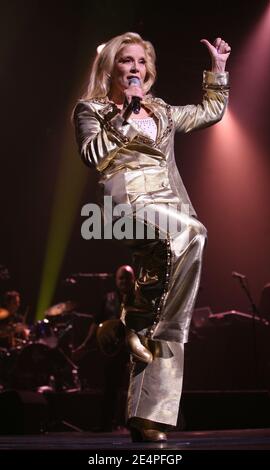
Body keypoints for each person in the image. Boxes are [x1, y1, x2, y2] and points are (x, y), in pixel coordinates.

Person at [73, 32, 230, 442]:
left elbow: (210, 112)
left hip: (169, 207)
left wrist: (218, 71)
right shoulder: (91, 109)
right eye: (126, 61)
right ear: (111, 67)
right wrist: (124, 118)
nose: (135, 69)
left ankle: (147, 416)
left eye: (141, 62)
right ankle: (134, 322)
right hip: (125, 206)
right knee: (195, 235)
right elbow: (91, 155)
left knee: (161, 299)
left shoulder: (161, 109)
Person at [73, 265, 135, 431]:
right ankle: (106, 425)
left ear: (133, 279)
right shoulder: (109, 299)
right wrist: (85, 345)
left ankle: (134, 425)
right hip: (113, 350)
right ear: (116, 280)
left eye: (127, 277)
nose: (124, 281)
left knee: (135, 389)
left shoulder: (140, 298)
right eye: (121, 278)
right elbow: (96, 322)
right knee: (110, 388)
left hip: (134, 349)